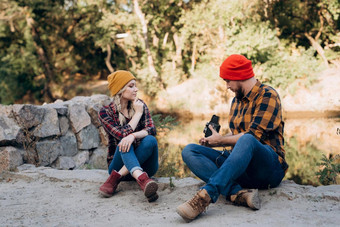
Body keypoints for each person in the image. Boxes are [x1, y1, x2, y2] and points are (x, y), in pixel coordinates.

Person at [176, 54, 289, 222]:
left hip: (268, 169)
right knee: (189, 150)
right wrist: (215, 140)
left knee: (248, 139)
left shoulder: (268, 95)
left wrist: (221, 141)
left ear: (239, 76)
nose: (227, 86)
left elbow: (252, 137)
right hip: (241, 169)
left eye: (228, 80)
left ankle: (205, 197)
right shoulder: (236, 101)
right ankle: (237, 193)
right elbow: (237, 134)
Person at [98, 70, 159, 202]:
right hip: (118, 164)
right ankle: (143, 180)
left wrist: (133, 136)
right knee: (124, 142)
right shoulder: (105, 112)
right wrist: (137, 115)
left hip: (146, 166)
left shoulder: (140, 105)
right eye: (131, 86)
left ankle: (115, 179)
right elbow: (120, 135)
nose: (136, 89)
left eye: (135, 86)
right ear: (120, 89)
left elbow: (152, 129)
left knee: (150, 140)